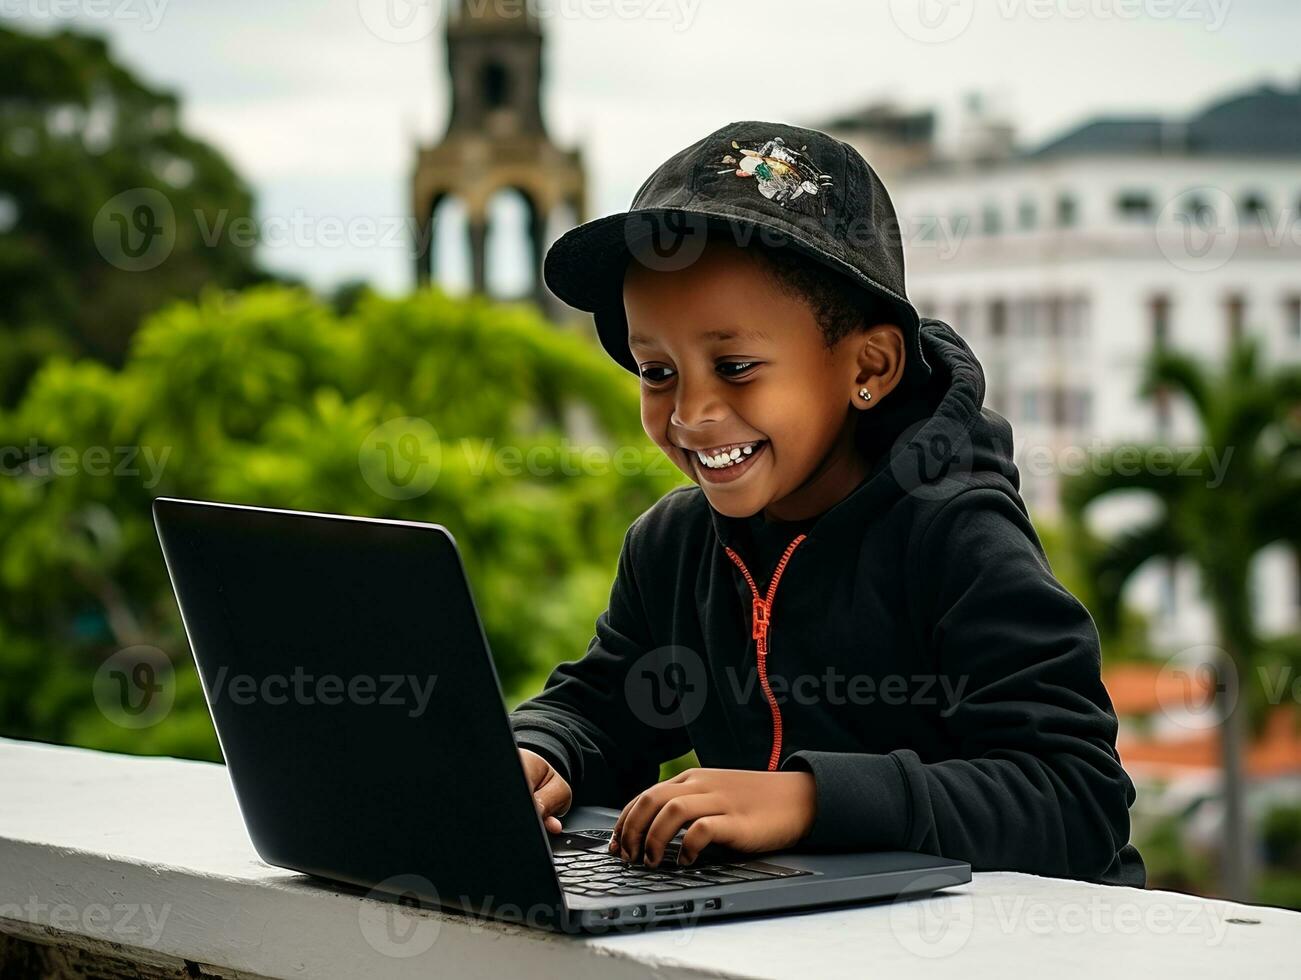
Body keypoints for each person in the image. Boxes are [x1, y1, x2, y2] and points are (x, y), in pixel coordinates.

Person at [509, 120, 1146, 887]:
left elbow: (1077, 798)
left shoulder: (954, 534)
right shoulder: (673, 547)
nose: (689, 411)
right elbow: (604, 709)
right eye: (656, 371)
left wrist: (811, 801)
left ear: (867, 366)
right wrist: (541, 752)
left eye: (736, 366)